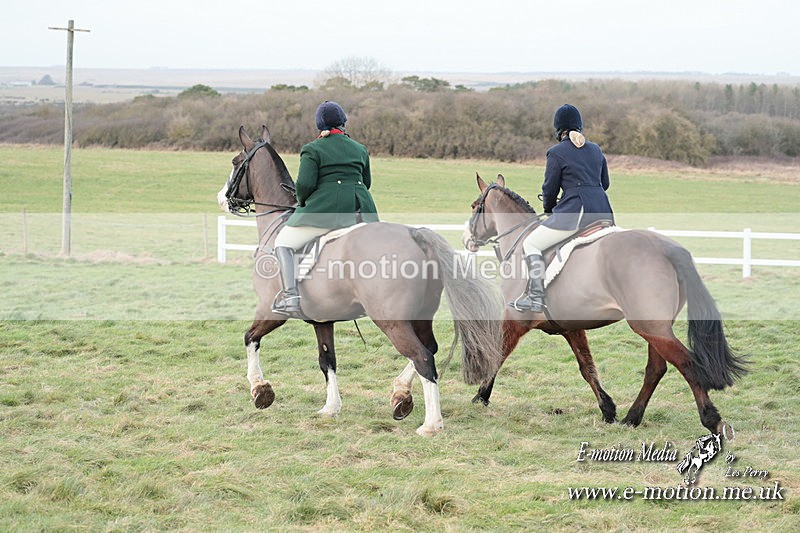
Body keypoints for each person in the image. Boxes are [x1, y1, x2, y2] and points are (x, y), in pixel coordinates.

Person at [272, 101, 379, 314]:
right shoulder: (360, 148)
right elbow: (366, 182)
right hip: (362, 213)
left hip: (327, 214)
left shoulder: (313, 149)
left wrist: (302, 201)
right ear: (343, 122)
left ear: (319, 125)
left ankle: (291, 297)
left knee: (282, 243)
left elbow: (304, 185)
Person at [510, 104, 614, 313]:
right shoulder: (595, 149)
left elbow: (549, 189)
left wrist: (549, 208)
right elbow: (605, 184)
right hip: (603, 211)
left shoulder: (556, 153)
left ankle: (536, 297)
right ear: (580, 126)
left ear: (559, 129)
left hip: (576, 214)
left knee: (530, 244)